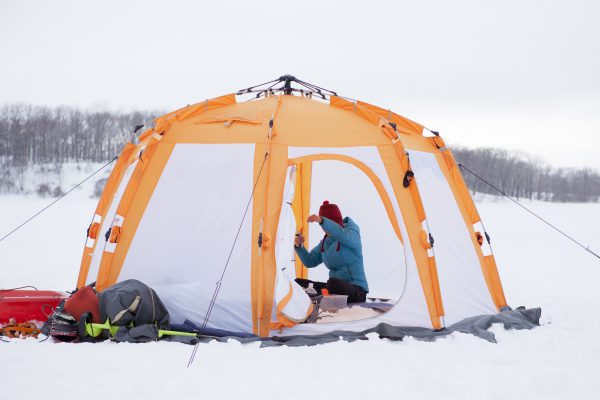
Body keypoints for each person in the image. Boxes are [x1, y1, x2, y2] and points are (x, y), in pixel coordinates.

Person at [294, 200, 369, 303]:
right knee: (298, 283)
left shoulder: (352, 234)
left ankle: (320, 296)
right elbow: (309, 261)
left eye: (323, 223)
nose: (323, 228)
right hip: (335, 289)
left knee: (333, 284)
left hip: (357, 291)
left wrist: (322, 221)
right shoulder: (325, 243)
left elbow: (340, 233)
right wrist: (299, 246)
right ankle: (319, 296)